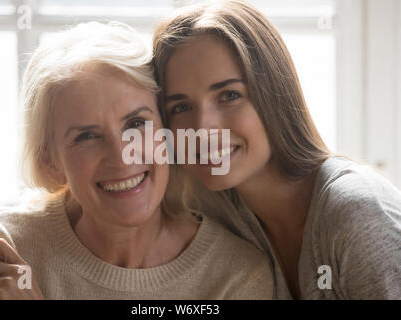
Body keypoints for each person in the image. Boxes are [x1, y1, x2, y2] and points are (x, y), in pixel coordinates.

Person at [0, 21, 274, 299]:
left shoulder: (236, 275)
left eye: (136, 124)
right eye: (86, 136)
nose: (122, 156)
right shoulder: (2, 250)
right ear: (51, 160)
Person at [151, 0, 401, 299]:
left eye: (229, 95)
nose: (203, 129)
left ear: (273, 94)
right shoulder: (211, 212)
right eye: (181, 107)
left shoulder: (357, 213)